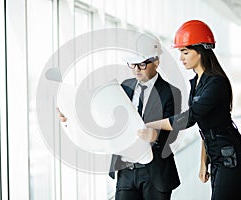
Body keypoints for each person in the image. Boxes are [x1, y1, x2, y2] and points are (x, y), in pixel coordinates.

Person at [58, 33, 182, 200]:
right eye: (132, 64)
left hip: (155, 172)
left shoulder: (171, 92)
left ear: (156, 62)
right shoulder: (124, 87)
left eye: (142, 64)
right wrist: (70, 119)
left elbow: (172, 130)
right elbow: (104, 117)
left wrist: (155, 136)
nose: (136, 69)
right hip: (126, 171)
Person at [138, 20, 241, 200]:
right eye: (180, 52)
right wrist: (203, 163)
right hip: (217, 157)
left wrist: (148, 123)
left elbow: (189, 119)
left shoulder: (216, 83)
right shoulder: (197, 82)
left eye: (185, 52)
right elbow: (204, 126)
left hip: (231, 158)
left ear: (200, 52)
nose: (181, 58)